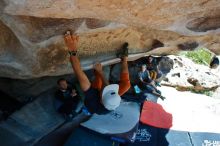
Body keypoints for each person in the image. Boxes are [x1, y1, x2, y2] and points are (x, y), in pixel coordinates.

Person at [64, 31, 131, 115]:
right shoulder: (114, 101)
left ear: (101, 100)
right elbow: (107, 86)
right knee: (126, 85)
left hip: (93, 98)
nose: (106, 87)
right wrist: (101, 71)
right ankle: (124, 57)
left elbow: (78, 71)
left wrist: (72, 50)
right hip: (107, 98)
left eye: (105, 91)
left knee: (99, 81)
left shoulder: (92, 98)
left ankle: (96, 72)